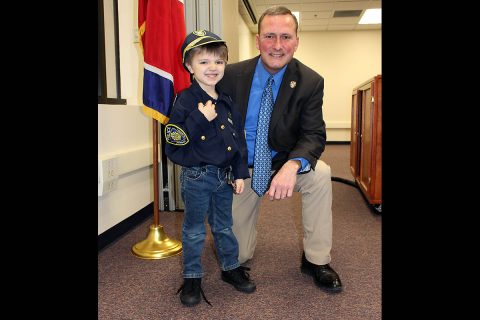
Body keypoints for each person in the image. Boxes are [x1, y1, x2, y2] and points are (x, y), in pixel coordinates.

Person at [217, 6, 342, 292]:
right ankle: (239, 250)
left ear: (297, 41)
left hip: (282, 163)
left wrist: (293, 164)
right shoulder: (230, 76)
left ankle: (316, 260)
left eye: (285, 37)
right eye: (269, 36)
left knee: (320, 173)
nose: (277, 45)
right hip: (241, 169)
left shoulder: (310, 82)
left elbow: (313, 134)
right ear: (258, 39)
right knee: (237, 257)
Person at [164, 30, 256, 307]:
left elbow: (237, 140)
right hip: (196, 176)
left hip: (223, 177)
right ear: (189, 67)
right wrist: (198, 119)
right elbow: (172, 140)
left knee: (224, 226)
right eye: (203, 62)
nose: (212, 68)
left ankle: (230, 268)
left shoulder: (227, 101)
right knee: (194, 230)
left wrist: (240, 172)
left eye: (218, 61)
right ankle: (192, 276)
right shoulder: (184, 100)